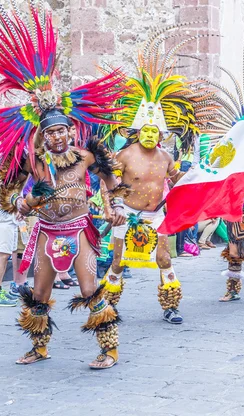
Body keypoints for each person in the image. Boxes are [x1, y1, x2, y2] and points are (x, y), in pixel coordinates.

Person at [0, 3, 126, 369]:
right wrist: (22, 204)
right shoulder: (31, 161)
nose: (57, 137)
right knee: (38, 292)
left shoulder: (87, 155)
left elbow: (110, 176)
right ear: (42, 135)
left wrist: (115, 206)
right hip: (45, 231)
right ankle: (40, 347)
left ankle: (110, 350)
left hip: (80, 230)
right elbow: (6, 191)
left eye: (62, 130)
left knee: (89, 289)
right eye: (50, 132)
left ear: (71, 131)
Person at [100, 40, 207, 324]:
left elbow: (177, 180)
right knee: (118, 261)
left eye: (154, 131)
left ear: (160, 133)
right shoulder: (124, 154)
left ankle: (171, 306)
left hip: (156, 215)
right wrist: (114, 208)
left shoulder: (166, 156)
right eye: (145, 130)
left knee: (164, 259)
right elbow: (108, 182)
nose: (149, 134)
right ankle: (108, 306)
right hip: (128, 215)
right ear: (139, 130)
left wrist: (200, 175)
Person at [0, 142, 27, 307]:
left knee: (5, 252)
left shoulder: (7, 149)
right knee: (1, 253)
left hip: (6, 211)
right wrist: (17, 202)